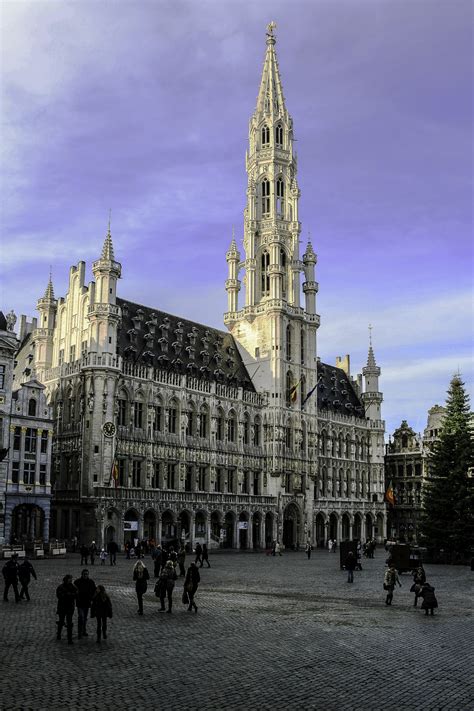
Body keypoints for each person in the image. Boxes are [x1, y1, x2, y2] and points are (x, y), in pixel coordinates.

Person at [74, 569, 96, 638]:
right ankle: (80, 632)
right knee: (81, 617)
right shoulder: (77, 582)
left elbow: (94, 591)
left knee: (85, 618)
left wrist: (92, 598)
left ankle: (83, 630)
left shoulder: (91, 582)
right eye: (84, 574)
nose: (85, 575)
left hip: (87, 603)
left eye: (86, 574)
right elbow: (74, 591)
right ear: (82, 574)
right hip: (80, 603)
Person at [56, 574, 78, 644]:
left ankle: (70, 639)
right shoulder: (60, 587)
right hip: (62, 607)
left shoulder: (74, 587)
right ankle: (59, 634)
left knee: (69, 623)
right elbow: (60, 596)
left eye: (71, 579)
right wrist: (69, 595)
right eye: (69, 579)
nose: (70, 580)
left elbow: (76, 595)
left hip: (70, 607)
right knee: (61, 621)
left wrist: (68, 595)